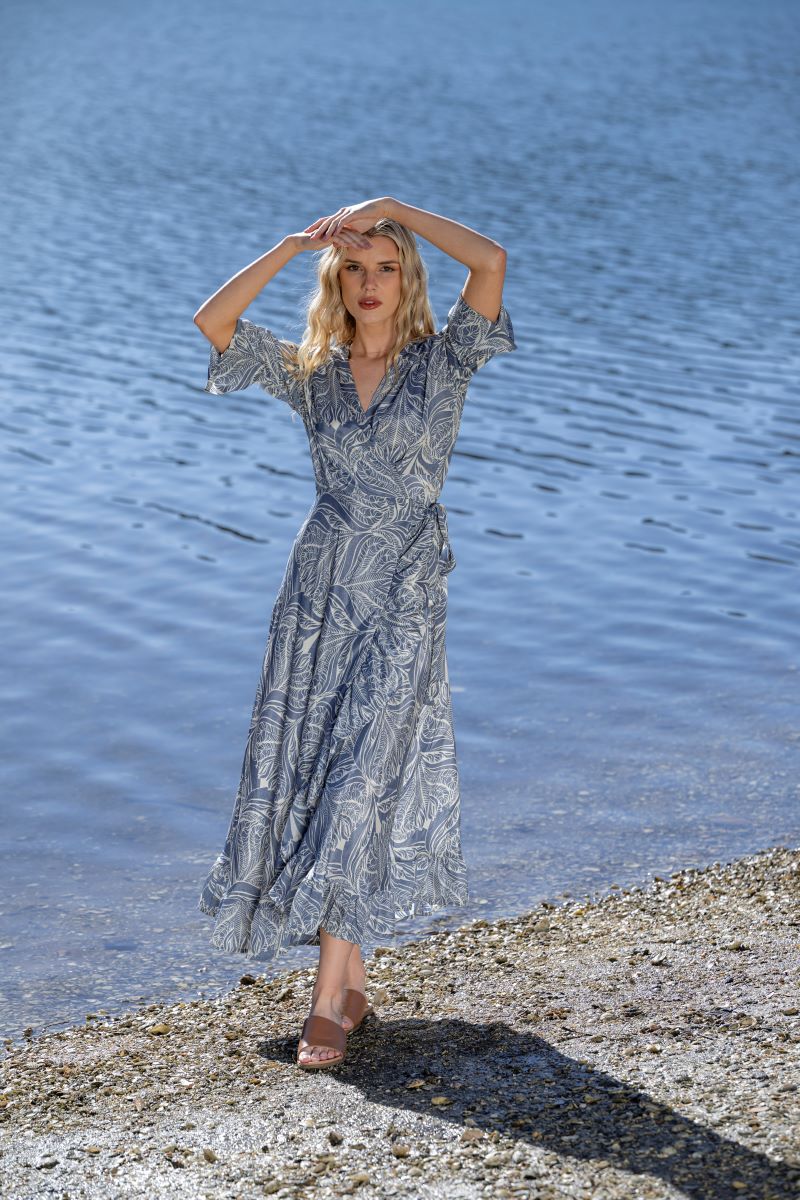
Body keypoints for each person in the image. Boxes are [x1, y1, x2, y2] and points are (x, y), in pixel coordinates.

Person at [194, 196, 516, 1070]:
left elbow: (489, 261)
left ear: (408, 276)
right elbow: (213, 319)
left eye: (385, 265)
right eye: (353, 267)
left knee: (366, 777)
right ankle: (354, 981)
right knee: (320, 772)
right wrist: (293, 243)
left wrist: (392, 208)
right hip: (319, 596)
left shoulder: (443, 362)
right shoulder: (313, 371)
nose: (369, 283)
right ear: (334, 281)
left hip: (406, 594)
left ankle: (327, 1004)